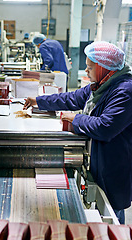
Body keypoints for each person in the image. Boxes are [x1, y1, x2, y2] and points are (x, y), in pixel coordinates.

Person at [23, 41, 132, 224]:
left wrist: (76, 119)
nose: (86, 71)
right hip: (98, 158)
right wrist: (39, 101)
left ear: (103, 68)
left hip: (114, 162)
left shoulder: (124, 91)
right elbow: (72, 98)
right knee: (98, 204)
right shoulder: (101, 85)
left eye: (90, 67)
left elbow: (105, 127)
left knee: (111, 211)